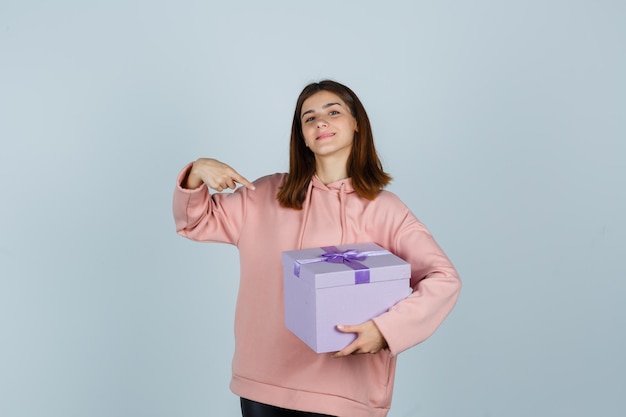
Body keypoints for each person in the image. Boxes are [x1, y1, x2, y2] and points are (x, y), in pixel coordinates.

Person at [172, 80, 461, 417]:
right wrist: (196, 172)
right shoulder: (265, 195)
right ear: (303, 136)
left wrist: (386, 330)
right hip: (263, 385)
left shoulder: (386, 209)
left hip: (345, 393)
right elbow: (195, 221)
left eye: (333, 112)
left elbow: (443, 279)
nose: (320, 122)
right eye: (308, 118)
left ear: (356, 123)